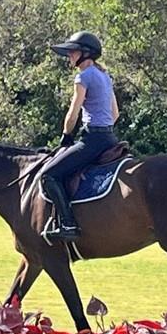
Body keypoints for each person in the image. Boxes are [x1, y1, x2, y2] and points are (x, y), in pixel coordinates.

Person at [40, 30, 120, 241]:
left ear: (85, 53)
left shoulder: (82, 77)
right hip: (109, 138)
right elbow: (115, 113)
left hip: (92, 139)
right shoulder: (104, 75)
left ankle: (68, 224)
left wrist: (66, 136)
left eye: (72, 52)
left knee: (49, 175)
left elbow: (74, 111)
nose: (69, 57)